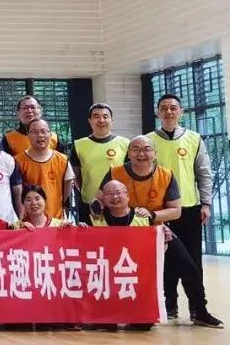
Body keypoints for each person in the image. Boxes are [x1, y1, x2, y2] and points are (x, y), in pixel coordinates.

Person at [92, 180, 222, 328]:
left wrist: (164, 239)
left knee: (189, 268)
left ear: (128, 196)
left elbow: (159, 251)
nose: (115, 197)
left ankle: (200, 312)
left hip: (137, 274)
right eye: (109, 194)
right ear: (103, 198)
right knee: (106, 322)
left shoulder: (143, 217)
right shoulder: (96, 220)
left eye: (118, 193)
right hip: (111, 274)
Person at [147, 93, 214, 308]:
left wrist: (206, 203)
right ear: (157, 113)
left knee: (192, 259)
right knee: (164, 258)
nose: (168, 112)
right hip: (160, 210)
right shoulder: (147, 141)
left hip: (189, 207)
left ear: (181, 112)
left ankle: (197, 306)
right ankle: (169, 304)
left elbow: (204, 173)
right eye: (164, 108)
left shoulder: (194, 138)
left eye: (173, 108)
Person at [70, 103, 129, 223]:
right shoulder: (79, 144)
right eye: (96, 116)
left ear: (112, 120)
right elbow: (76, 175)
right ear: (90, 121)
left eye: (105, 116)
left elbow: (130, 173)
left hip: (119, 204)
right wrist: (86, 193)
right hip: (89, 203)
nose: (101, 120)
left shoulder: (125, 143)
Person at [13, 118, 74, 220]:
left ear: (50, 134)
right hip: (29, 221)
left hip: (56, 219)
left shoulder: (63, 160)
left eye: (43, 131)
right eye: (34, 132)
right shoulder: (17, 161)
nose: (40, 135)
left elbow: (68, 184)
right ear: (27, 135)